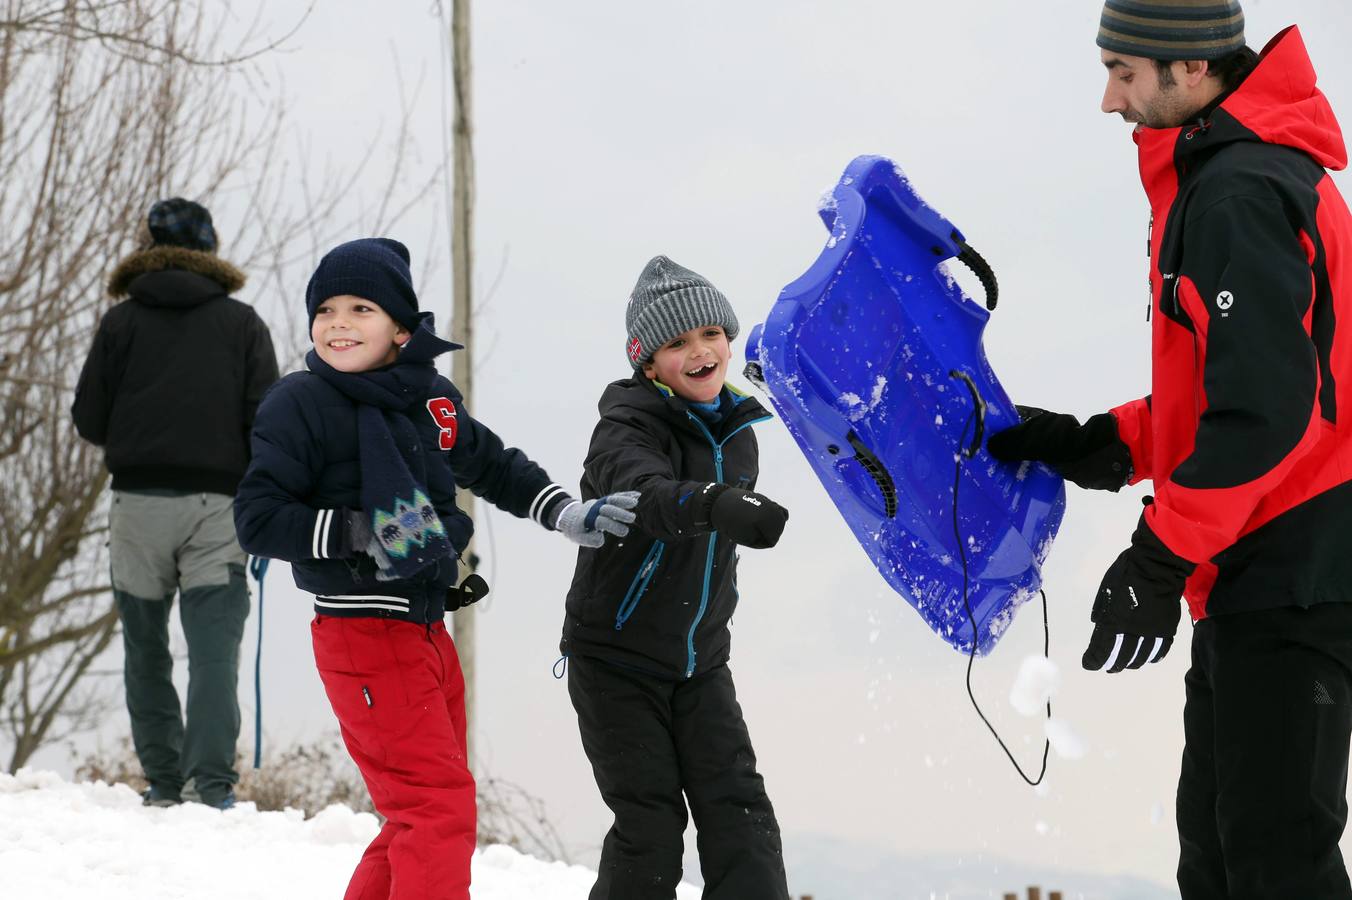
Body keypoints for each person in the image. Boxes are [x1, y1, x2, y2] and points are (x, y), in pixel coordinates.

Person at [988, 4, 1352, 897]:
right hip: (1253, 568)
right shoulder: (1225, 179)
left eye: (1124, 73)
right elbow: (1229, 393)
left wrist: (1158, 558)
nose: (1109, 99)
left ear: (1190, 68)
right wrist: (1098, 444)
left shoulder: (1239, 192)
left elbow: (1268, 415)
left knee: (1274, 864)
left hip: (1297, 571)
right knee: (1221, 859)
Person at [233, 237, 636, 900]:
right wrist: (357, 532)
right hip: (363, 632)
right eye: (325, 310)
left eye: (360, 309)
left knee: (417, 811)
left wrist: (565, 512)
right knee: (436, 808)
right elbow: (257, 517)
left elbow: (492, 464)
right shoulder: (299, 402)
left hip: (424, 628)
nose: (337, 323)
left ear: (400, 328)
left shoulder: (428, 399)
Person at [560, 255, 791, 900]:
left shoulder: (739, 431)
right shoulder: (624, 428)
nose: (700, 351)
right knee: (651, 826)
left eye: (711, 334)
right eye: (677, 342)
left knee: (741, 812)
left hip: (701, 663)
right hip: (615, 662)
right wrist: (714, 503)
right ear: (648, 362)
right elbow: (647, 495)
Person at [71, 197, 279, 810]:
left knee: (146, 648)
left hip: (137, 504)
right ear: (211, 250)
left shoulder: (120, 323)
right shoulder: (243, 325)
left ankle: (163, 783)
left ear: (149, 247)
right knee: (213, 652)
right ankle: (208, 786)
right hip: (218, 508)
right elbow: (267, 428)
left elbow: (89, 420)